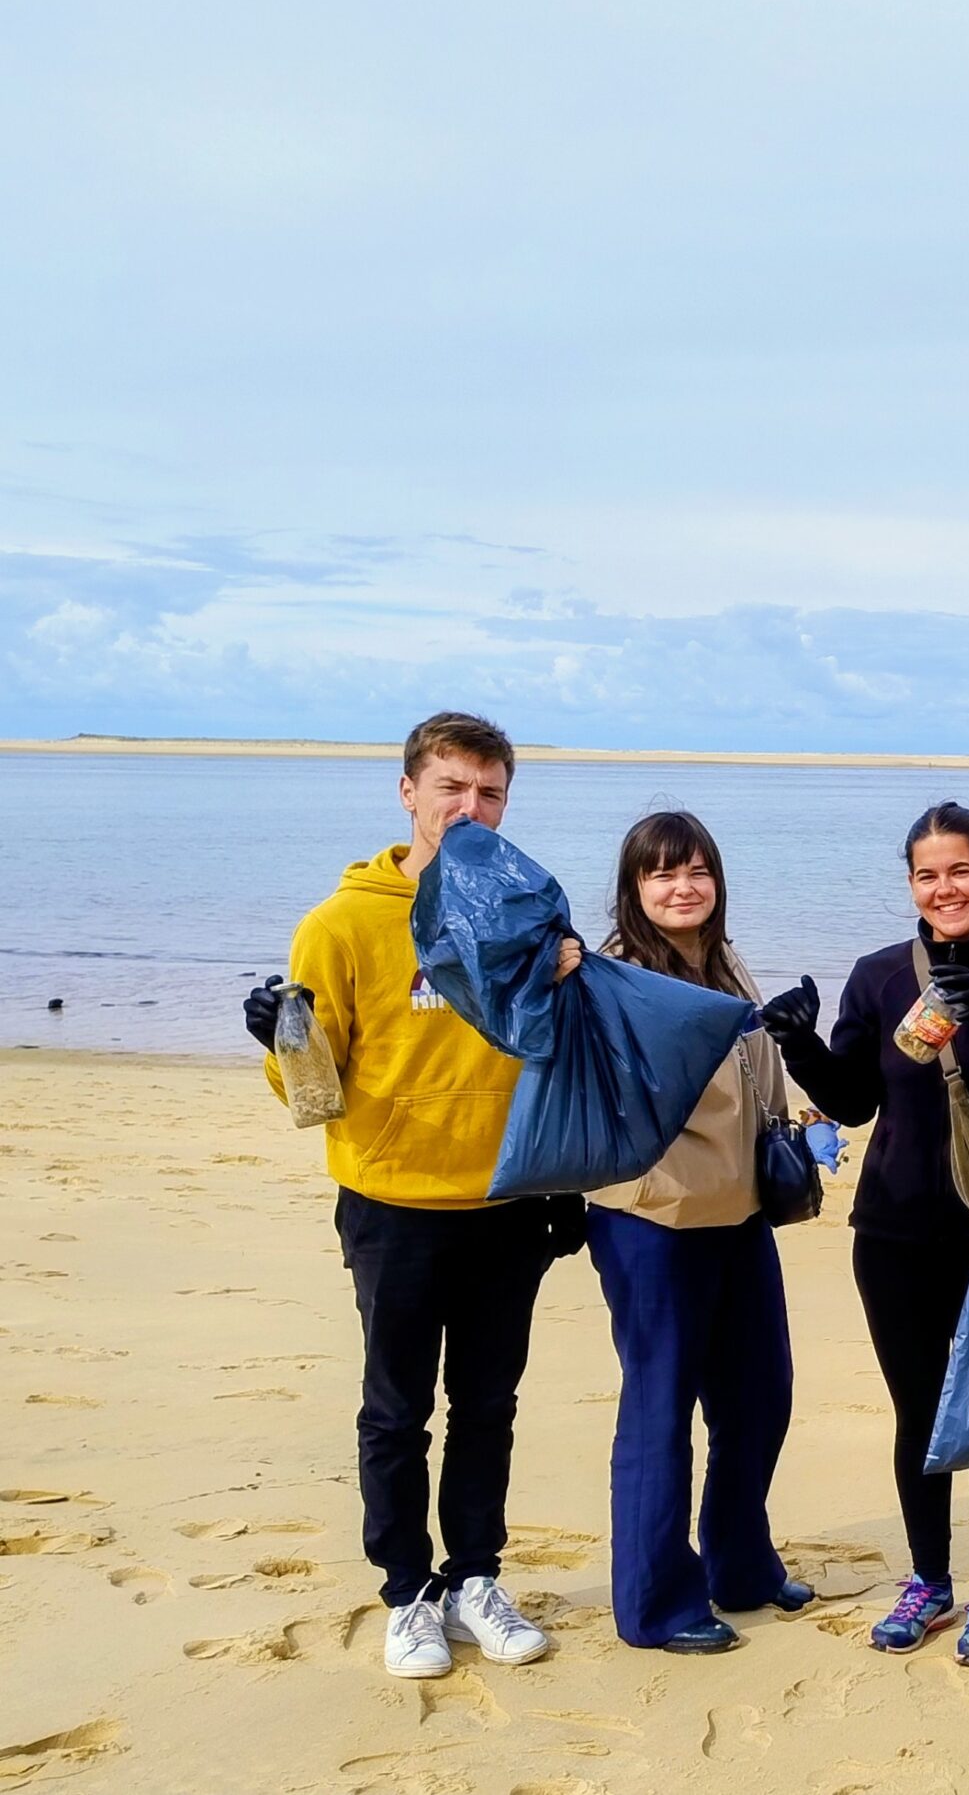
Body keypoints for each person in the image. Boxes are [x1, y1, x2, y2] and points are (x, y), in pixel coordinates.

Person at [243, 711, 581, 1679]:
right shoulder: (341, 923)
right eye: (452, 789)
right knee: (395, 1412)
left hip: (509, 1202)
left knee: (488, 1405)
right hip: (392, 1204)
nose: (470, 809)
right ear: (409, 793)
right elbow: (316, 1093)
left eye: (489, 793)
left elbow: (552, 1052)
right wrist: (280, 1040)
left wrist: (564, 1180)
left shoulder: (525, 909)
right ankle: (408, 1593)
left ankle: (476, 1577)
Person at [759, 802, 969, 1667]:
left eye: (961, 870)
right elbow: (856, 1098)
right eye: (928, 875)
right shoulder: (876, 974)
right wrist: (798, 1046)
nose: (946, 888)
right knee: (923, 1409)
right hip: (894, 1226)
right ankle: (930, 1578)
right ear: (912, 885)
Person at [583, 810, 811, 1654]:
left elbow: (752, 1077)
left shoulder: (725, 961)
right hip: (655, 1218)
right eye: (661, 873)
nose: (683, 887)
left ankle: (740, 1565)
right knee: (661, 1407)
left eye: (697, 871)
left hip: (740, 1208)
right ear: (634, 887)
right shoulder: (613, 976)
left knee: (759, 1397)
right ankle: (656, 1604)